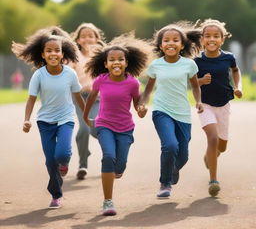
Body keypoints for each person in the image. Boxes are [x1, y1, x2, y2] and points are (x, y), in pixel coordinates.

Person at [12, 28, 85, 209]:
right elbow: (31, 99)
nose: (53, 53)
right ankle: (56, 194)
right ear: (43, 55)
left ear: (63, 54)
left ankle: (65, 162)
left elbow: (77, 97)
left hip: (66, 118)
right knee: (50, 161)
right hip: (45, 121)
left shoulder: (70, 74)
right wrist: (26, 119)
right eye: (49, 51)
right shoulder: (39, 75)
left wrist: (86, 116)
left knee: (62, 154)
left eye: (57, 50)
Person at [83, 34, 150, 216]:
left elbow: (137, 103)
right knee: (108, 157)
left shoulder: (132, 83)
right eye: (112, 60)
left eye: (120, 59)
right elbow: (90, 97)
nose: (116, 63)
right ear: (105, 64)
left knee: (119, 166)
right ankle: (107, 201)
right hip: (104, 125)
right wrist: (86, 115)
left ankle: (117, 171)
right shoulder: (101, 80)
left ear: (126, 63)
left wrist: (141, 109)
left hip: (125, 128)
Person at [137, 22, 204, 198]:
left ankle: (173, 169)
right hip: (161, 110)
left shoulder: (189, 64)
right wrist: (142, 104)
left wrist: (198, 101)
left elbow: (195, 86)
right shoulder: (156, 65)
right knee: (170, 145)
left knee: (183, 156)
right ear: (161, 45)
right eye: (166, 40)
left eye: (175, 40)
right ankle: (165, 183)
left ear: (182, 45)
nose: (171, 43)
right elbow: (148, 90)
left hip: (182, 113)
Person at [194, 19, 242, 197]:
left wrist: (238, 88)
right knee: (212, 139)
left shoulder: (228, 57)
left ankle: (210, 156)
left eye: (216, 36)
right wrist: (200, 81)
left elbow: (235, 71)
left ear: (222, 39)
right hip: (204, 104)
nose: (211, 39)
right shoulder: (197, 60)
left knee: (222, 146)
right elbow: (189, 82)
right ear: (202, 39)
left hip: (224, 104)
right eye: (207, 36)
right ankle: (213, 180)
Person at [69, 23, 105, 180]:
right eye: (83, 36)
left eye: (91, 35)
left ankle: (109, 156)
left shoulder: (103, 57)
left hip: (97, 98)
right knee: (84, 129)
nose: (87, 39)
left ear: (97, 39)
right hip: (79, 98)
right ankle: (83, 164)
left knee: (96, 128)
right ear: (77, 39)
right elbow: (69, 74)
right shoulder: (74, 56)